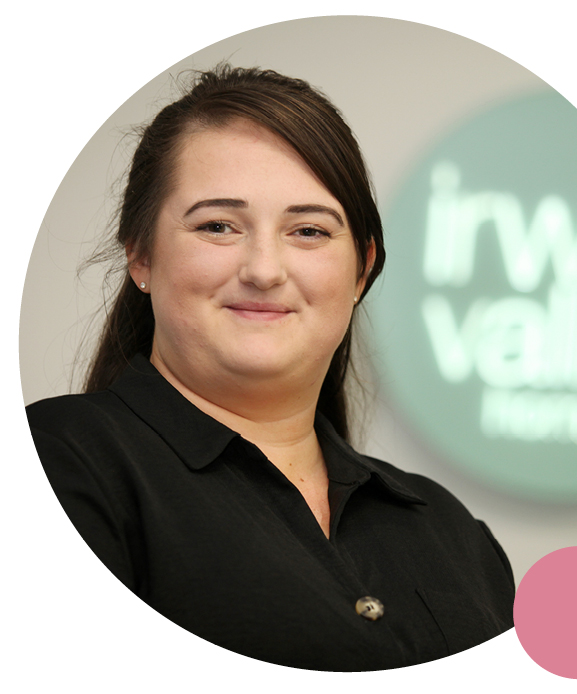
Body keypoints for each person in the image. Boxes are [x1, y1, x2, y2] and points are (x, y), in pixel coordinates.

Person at [26, 65, 515, 671]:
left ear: (361, 270)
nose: (264, 269)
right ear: (141, 253)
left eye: (308, 230)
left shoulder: (453, 534)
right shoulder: (54, 465)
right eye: (218, 226)